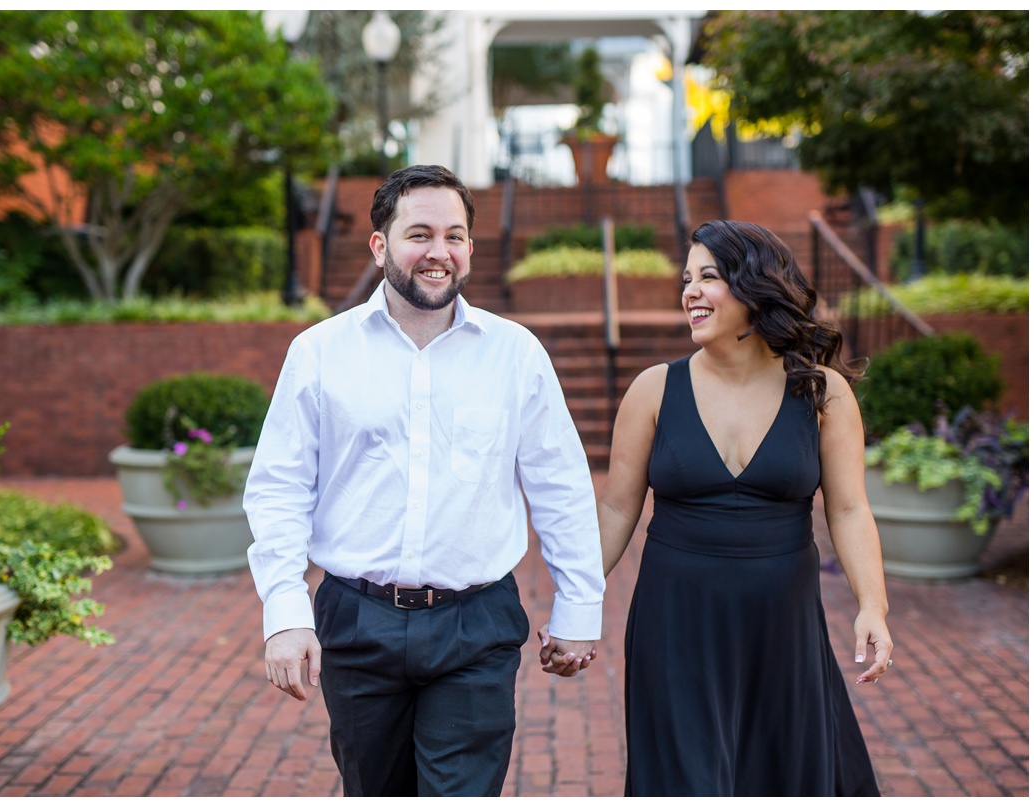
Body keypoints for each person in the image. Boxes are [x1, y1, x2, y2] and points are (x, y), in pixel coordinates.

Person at [243, 164, 605, 797]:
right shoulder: (319, 352)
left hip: (476, 626)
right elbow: (279, 485)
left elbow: (560, 484)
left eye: (455, 236)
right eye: (420, 234)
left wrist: (579, 605)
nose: (439, 252)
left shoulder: (514, 353)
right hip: (356, 622)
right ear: (381, 245)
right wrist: (283, 608)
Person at [594, 220, 892, 795]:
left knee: (782, 774)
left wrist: (871, 606)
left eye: (709, 276)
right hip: (675, 624)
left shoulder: (822, 391)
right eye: (687, 278)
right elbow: (615, 511)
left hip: (784, 629)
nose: (690, 292)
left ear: (755, 285)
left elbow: (850, 510)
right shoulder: (653, 390)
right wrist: (574, 600)